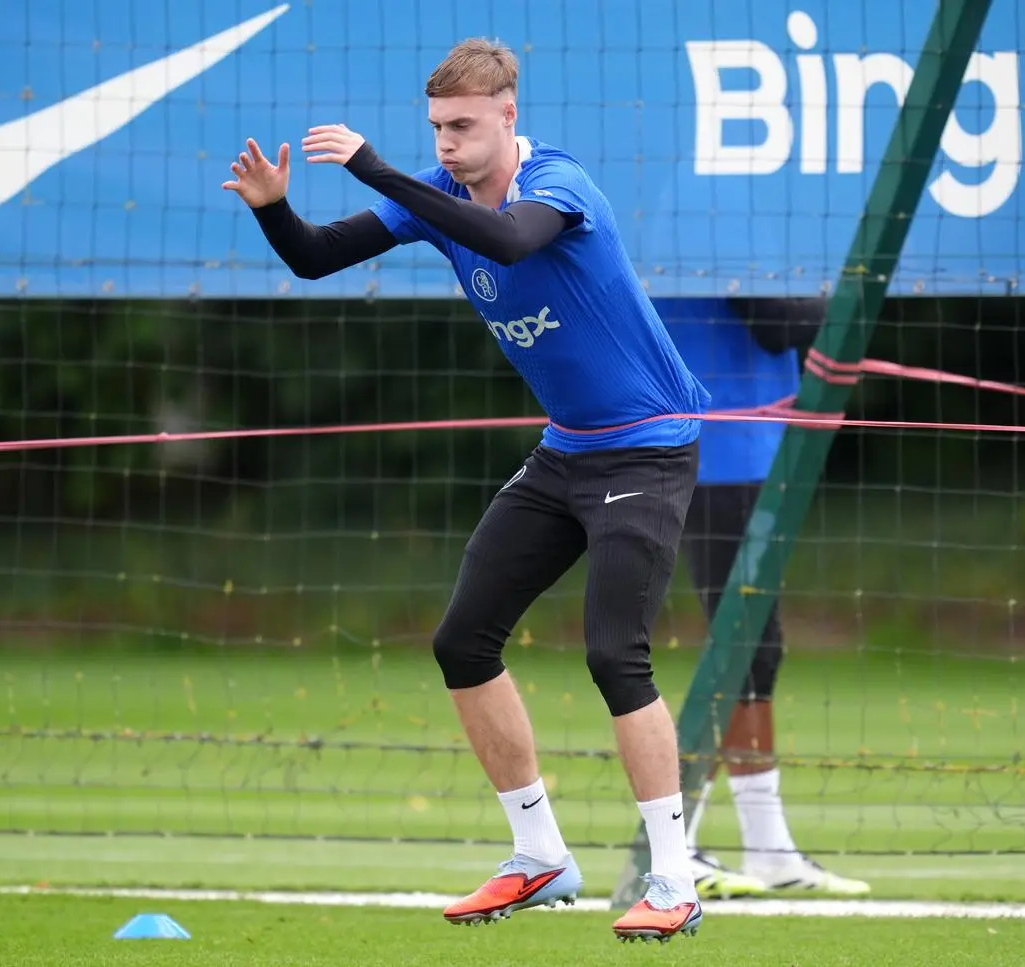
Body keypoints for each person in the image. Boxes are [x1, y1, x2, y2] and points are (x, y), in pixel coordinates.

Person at [223, 38, 709, 942]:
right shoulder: (439, 197)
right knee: (461, 640)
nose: (447, 144)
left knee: (615, 655)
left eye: (463, 126)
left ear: (507, 117)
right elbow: (314, 258)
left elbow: (510, 241)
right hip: (567, 453)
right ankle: (539, 857)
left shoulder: (559, 185)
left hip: (645, 450)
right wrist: (274, 209)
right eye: (437, 128)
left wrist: (377, 168)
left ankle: (674, 879)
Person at [657, 296, 871, 899]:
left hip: (743, 442)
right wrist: (851, 298)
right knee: (740, 647)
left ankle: (768, 850)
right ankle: (676, 848)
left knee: (752, 652)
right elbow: (780, 321)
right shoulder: (718, 222)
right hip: (721, 444)